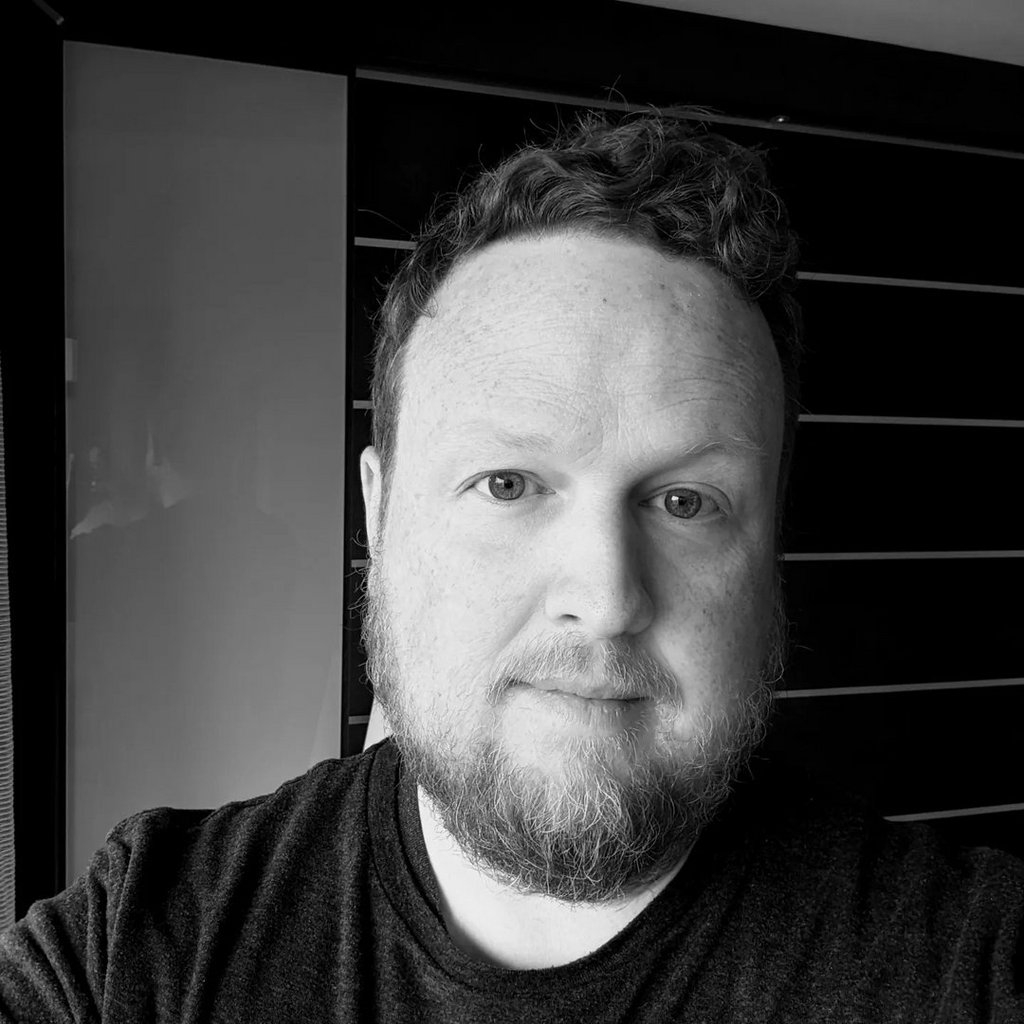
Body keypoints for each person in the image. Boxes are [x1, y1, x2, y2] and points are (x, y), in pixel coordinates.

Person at [1, 110, 1020, 1023]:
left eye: (685, 501)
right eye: (508, 483)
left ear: (769, 558)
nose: (606, 597)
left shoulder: (970, 963)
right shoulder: (133, 950)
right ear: (378, 515)